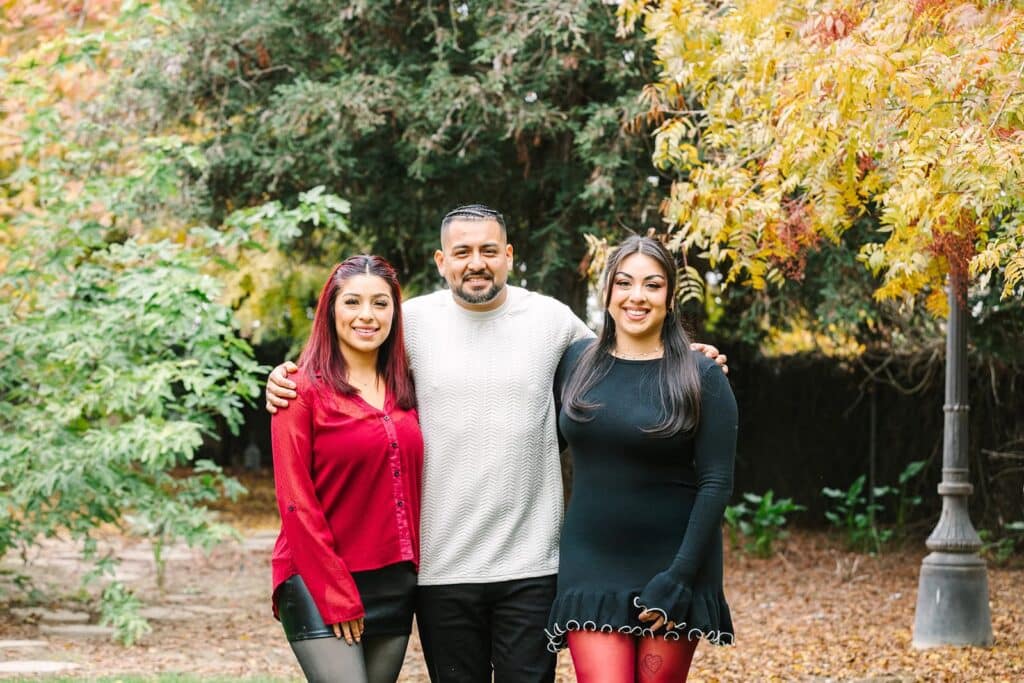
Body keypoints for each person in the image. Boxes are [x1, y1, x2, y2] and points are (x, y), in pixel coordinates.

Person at [266, 205, 727, 683]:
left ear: (508, 255)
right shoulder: (408, 323)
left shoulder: (552, 321)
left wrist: (686, 360)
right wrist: (285, 376)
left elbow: (625, 360)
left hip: (532, 566)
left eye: (489, 250)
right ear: (441, 260)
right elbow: (345, 354)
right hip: (441, 569)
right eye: (462, 251)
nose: (476, 262)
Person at [545, 235, 736, 683]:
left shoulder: (701, 375)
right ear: (608, 292)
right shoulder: (575, 363)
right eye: (624, 282)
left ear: (670, 298)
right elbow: (539, 444)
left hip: (674, 562)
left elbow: (716, 483)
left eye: (652, 285)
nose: (637, 296)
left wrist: (680, 578)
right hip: (591, 561)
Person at [270, 255, 423, 683]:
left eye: (380, 303)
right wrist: (336, 594)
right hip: (319, 579)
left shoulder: (409, 387)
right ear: (331, 310)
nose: (367, 316)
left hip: (394, 581)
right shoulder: (300, 391)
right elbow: (294, 501)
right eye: (352, 302)